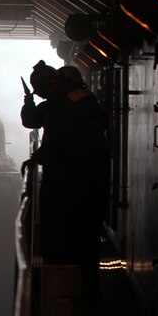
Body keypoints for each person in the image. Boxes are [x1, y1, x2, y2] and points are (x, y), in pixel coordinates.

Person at [21, 63, 109, 303]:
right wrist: (29, 102)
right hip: (91, 178)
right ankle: (89, 289)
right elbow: (34, 120)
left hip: (70, 180)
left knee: (64, 234)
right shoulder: (74, 98)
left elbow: (60, 140)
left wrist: (35, 159)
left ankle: (68, 294)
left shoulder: (63, 104)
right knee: (87, 237)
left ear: (50, 84)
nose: (41, 97)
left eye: (40, 92)